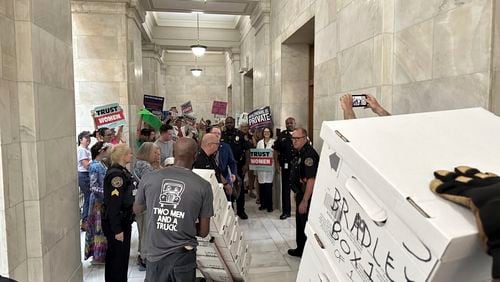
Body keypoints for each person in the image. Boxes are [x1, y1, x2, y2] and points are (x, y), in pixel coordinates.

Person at [133, 138, 214, 282]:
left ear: (173, 153)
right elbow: (204, 231)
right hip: (183, 257)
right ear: (195, 156)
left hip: (155, 255)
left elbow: (137, 209)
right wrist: (182, 223)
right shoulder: (203, 186)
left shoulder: (149, 178)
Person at [102, 144, 136, 281]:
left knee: (120, 258)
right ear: (123, 156)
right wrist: (117, 230)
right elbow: (114, 204)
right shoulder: (117, 175)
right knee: (117, 259)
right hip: (117, 222)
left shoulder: (122, 171)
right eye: (130, 153)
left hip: (123, 220)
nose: (132, 156)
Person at [288, 128, 319, 258]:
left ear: (305, 138)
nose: (294, 141)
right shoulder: (300, 152)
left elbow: (311, 179)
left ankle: (307, 252)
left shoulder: (309, 155)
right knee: (300, 223)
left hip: (308, 196)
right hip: (301, 193)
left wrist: (305, 201)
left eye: (297, 139)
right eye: (293, 139)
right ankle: (301, 249)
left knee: (305, 223)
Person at [133, 142, 162, 271]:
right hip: (144, 205)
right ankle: (144, 258)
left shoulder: (146, 164)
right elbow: (152, 183)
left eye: (159, 152)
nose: (158, 155)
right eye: (155, 152)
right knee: (145, 232)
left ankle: (143, 255)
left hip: (145, 203)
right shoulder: (143, 165)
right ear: (147, 153)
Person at [84, 141, 111, 264]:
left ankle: (101, 253)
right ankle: (97, 254)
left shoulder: (101, 164)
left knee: (101, 227)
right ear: (101, 151)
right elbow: (93, 186)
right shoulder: (95, 166)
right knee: (98, 228)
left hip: (101, 200)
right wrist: (107, 193)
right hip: (97, 202)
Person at [221, 116, 250, 220]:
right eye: (227, 122)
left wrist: (246, 164)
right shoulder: (221, 135)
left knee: (240, 188)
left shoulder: (241, 135)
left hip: (238, 166)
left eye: (231, 122)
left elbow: (247, 150)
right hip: (225, 167)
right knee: (228, 188)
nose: (229, 124)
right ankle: (230, 210)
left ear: (234, 123)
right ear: (225, 123)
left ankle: (241, 210)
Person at [273, 117, 296, 220]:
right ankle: (286, 212)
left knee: (299, 189)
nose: (289, 124)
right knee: (285, 189)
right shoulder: (282, 135)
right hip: (286, 166)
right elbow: (276, 151)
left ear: (295, 123)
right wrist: (277, 165)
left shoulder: (300, 134)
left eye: (291, 123)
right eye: (287, 123)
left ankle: (301, 210)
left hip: (297, 167)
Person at [208, 126, 237, 199]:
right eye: (214, 133)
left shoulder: (226, 147)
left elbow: (232, 162)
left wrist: (233, 173)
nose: (217, 135)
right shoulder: (206, 146)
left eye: (219, 133)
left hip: (225, 178)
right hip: (210, 180)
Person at [256, 127, 276, 212]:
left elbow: (275, 154)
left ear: (270, 133)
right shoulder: (259, 142)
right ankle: (263, 204)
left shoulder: (273, 142)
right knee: (262, 186)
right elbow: (256, 154)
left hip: (270, 167)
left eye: (268, 131)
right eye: (265, 132)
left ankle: (269, 206)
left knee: (268, 186)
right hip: (261, 167)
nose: (266, 133)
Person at [77, 131, 92, 231]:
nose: (88, 141)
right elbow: (86, 165)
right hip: (84, 175)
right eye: (86, 139)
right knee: (88, 197)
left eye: (89, 139)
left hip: (86, 175)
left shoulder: (86, 150)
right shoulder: (82, 150)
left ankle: (86, 220)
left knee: (88, 197)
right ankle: (85, 220)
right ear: (81, 140)